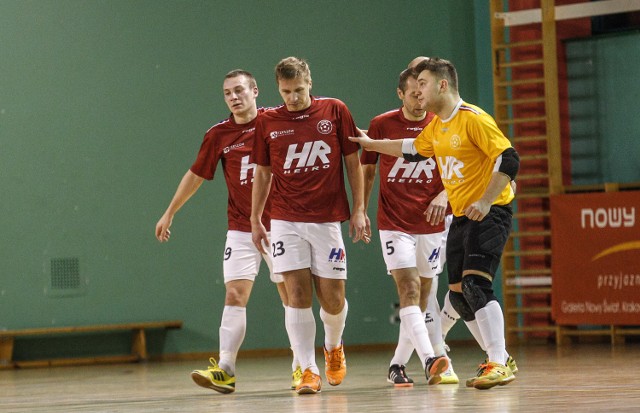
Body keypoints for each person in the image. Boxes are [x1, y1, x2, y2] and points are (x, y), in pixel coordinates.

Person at [349, 57, 520, 390]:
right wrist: (370, 144)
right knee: (457, 296)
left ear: (443, 85)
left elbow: (509, 158)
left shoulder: (473, 119)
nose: (418, 91)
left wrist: (485, 200)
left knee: (475, 285)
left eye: (423, 84)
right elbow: (412, 149)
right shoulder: (438, 125)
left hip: (490, 212)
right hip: (461, 217)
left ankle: (498, 361)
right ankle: (499, 355)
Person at [155, 69, 300, 394]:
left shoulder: (275, 121)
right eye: (227, 93)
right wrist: (170, 211)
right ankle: (226, 369)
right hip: (241, 228)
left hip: (280, 225)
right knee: (234, 294)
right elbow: (195, 175)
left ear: (256, 91)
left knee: (291, 296)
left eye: (239, 90)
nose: (234, 97)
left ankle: (301, 366)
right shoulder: (218, 135)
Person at [251, 56, 368, 395]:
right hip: (285, 218)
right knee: (297, 295)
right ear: (278, 88)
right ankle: (307, 369)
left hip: (327, 219)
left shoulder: (334, 111)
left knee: (332, 299)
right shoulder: (267, 121)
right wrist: (256, 218)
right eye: (286, 91)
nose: (293, 97)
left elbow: (353, 162)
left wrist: (359, 209)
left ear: (310, 83)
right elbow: (262, 172)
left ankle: (333, 346)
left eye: (299, 90)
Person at [361, 67, 455, 387]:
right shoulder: (382, 124)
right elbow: (367, 170)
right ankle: (431, 358)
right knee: (409, 290)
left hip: (431, 223)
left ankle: (397, 364)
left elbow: (457, 170)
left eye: (423, 92)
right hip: (394, 222)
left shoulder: (441, 123)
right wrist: (360, 209)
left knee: (421, 297)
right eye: (413, 93)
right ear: (400, 94)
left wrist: (444, 194)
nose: (420, 98)